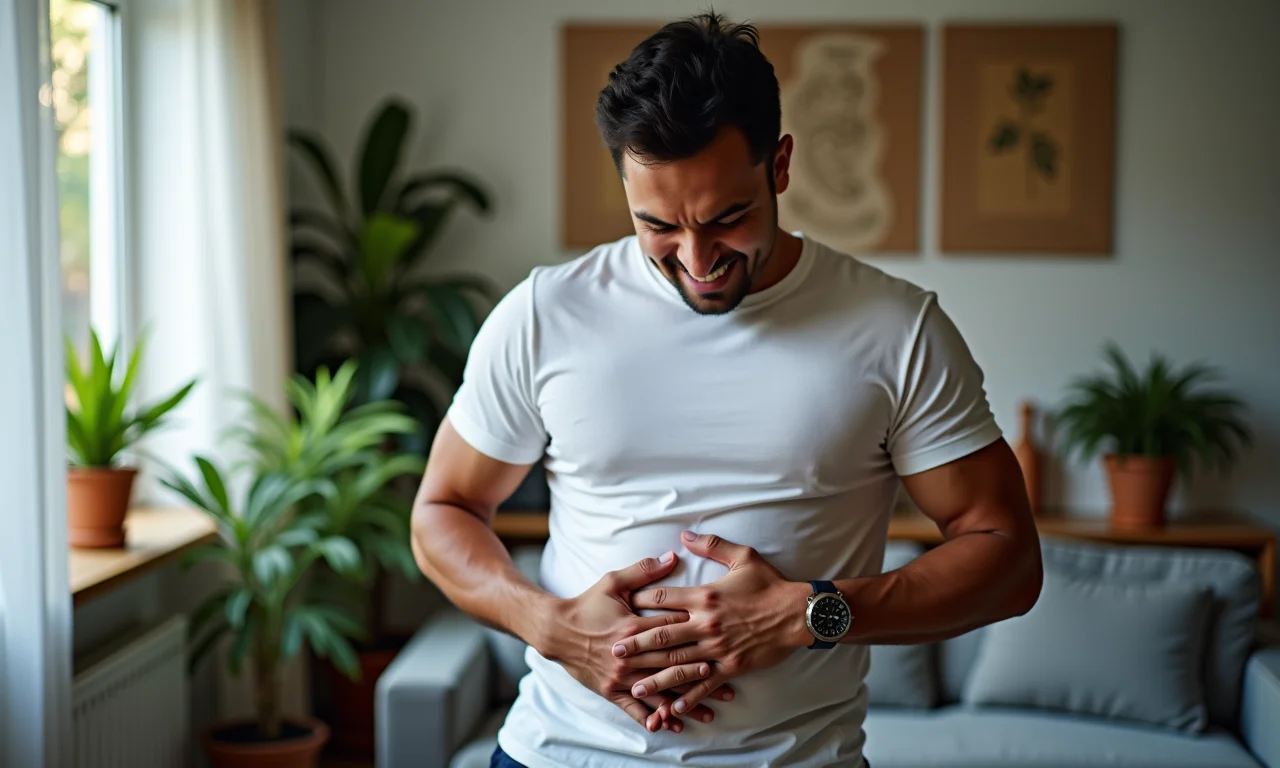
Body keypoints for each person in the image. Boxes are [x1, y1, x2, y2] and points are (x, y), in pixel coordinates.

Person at [409, 11, 1042, 768]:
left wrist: (810, 613)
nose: (697, 259)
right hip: (555, 754)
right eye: (659, 226)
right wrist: (551, 627)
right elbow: (442, 511)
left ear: (780, 165)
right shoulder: (545, 313)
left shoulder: (897, 329)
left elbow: (1007, 559)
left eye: (727, 219)